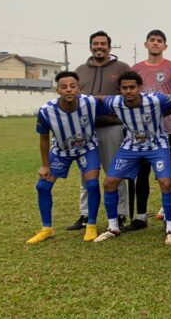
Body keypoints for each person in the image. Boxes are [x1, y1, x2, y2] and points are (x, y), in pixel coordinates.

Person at [92, 71, 171, 245]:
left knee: (166, 182)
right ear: (120, 90)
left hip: (157, 145)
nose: (128, 91)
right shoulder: (115, 102)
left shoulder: (155, 100)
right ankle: (113, 227)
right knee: (109, 182)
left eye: (132, 87)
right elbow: (99, 98)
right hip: (130, 146)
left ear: (140, 88)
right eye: (124, 88)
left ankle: (170, 228)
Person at [27, 72, 103, 244]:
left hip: (87, 148)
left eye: (72, 86)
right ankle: (47, 229)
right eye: (64, 87)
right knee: (43, 187)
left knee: (92, 184)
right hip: (61, 151)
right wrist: (45, 165)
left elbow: (115, 106)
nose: (69, 90)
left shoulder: (90, 102)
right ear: (57, 90)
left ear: (78, 88)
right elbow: (44, 138)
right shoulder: (47, 111)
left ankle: (91, 225)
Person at [69, 30, 131, 231]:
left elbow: (129, 93)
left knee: (115, 172)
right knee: (86, 173)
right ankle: (86, 215)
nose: (99, 47)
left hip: (112, 127)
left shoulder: (121, 68)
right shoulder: (80, 70)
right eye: (95, 44)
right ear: (90, 47)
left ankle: (121, 214)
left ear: (109, 47)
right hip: (86, 130)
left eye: (103, 44)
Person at [129, 29, 171, 230]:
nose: (155, 43)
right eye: (152, 40)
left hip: (166, 132)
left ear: (165, 46)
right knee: (142, 173)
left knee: (165, 174)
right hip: (140, 133)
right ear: (146, 44)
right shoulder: (135, 69)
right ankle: (141, 216)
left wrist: (169, 118)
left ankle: (168, 212)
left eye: (159, 41)